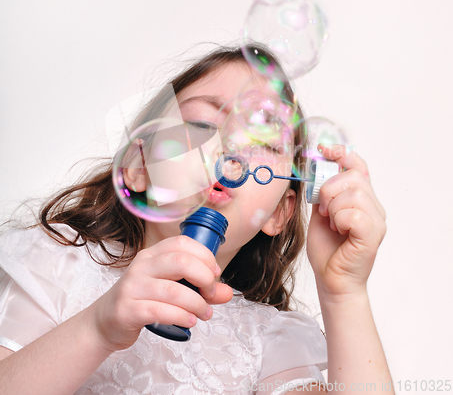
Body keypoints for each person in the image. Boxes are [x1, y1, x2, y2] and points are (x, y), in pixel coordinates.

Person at [0, 45, 393, 394]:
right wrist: (96, 328)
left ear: (280, 212)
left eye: (263, 143)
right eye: (203, 125)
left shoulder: (267, 342)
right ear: (139, 167)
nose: (229, 152)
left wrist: (343, 293)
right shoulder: (58, 262)